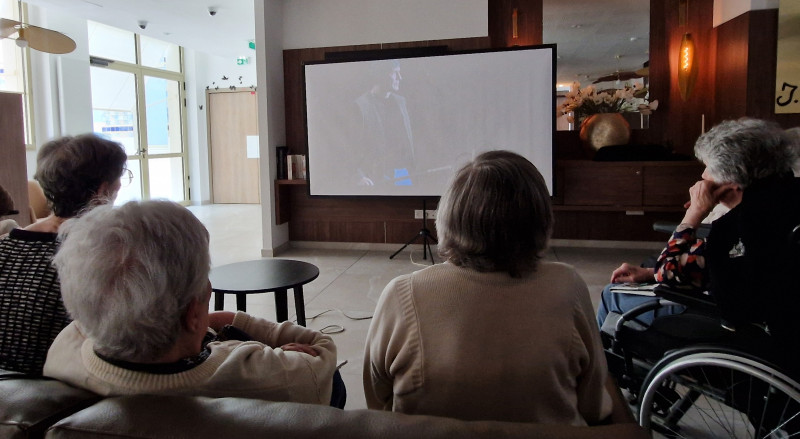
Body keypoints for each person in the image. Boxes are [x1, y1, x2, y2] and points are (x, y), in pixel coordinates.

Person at [363, 150, 630, 425]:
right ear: (540, 219)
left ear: (448, 216)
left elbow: (377, 401)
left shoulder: (401, 292)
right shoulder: (567, 285)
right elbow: (595, 406)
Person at [44, 200, 344, 407]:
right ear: (191, 314)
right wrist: (237, 321)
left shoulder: (65, 349)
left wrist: (210, 321)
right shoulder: (267, 374)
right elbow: (320, 350)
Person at [596, 118, 799, 331]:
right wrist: (648, 274)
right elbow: (715, 264)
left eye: (708, 168)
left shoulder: (738, 225)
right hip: (778, 318)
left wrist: (693, 214)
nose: (702, 176)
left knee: (613, 294)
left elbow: (670, 272)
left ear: (732, 182)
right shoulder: (787, 196)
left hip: (732, 325)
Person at [0, 134, 128, 376]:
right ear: (102, 190)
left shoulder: (6, 246)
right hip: (65, 386)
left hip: (6, 385)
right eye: (118, 180)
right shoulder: (107, 256)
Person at [354, 59, 415, 187]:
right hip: (375, 178)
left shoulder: (401, 102)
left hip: (404, 175)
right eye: (395, 73)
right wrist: (358, 176)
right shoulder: (360, 106)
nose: (400, 78)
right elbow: (350, 147)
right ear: (381, 75)